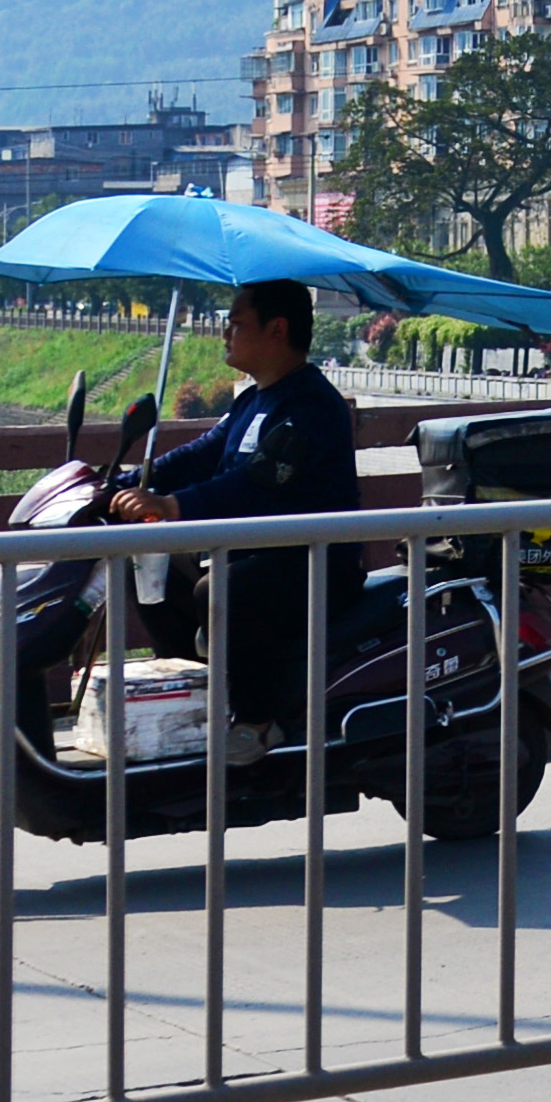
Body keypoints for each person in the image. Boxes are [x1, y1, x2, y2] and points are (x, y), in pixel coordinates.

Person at [130, 277, 365, 769]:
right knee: (150, 570)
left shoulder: (310, 405)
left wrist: (172, 505)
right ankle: (195, 698)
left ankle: (258, 722)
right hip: (256, 553)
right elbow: (199, 455)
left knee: (221, 590)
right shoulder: (252, 400)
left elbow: (258, 482)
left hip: (314, 562)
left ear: (276, 330)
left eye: (236, 324)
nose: (226, 334)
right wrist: (124, 482)